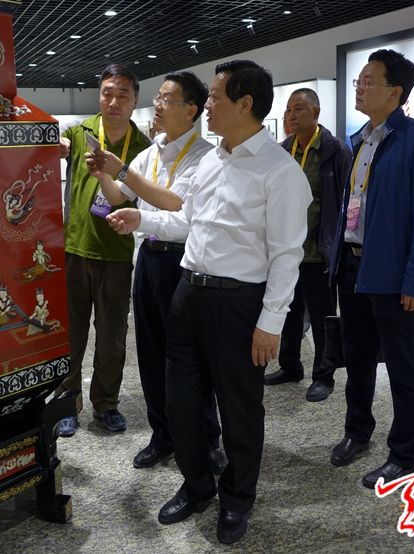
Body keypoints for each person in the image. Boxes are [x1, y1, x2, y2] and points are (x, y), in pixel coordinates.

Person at [107, 60, 310, 545]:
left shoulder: (280, 171)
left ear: (245, 104)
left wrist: (271, 323)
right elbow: (188, 222)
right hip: (188, 293)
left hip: (238, 303)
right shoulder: (213, 160)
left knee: (239, 409)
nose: (209, 106)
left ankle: (237, 497)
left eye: (216, 97)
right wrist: (142, 221)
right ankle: (197, 484)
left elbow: (287, 255)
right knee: (182, 401)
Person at [86, 71, 224, 473]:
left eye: (167, 99)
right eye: (159, 98)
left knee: (190, 356)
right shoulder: (151, 152)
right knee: (150, 353)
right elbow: (119, 196)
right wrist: (103, 173)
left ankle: (206, 438)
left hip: (183, 262)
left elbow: (175, 203)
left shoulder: (205, 157)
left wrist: (122, 171)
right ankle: (163, 434)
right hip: (149, 258)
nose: (158, 106)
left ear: (191, 110)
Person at [327, 49, 414, 489]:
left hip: (394, 274)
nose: (359, 88)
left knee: (404, 365)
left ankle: (405, 454)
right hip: (353, 266)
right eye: (358, 81)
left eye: (368, 81)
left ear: (395, 92)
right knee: (357, 357)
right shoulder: (360, 140)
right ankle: (357, 432)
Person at [54, 64, 152, 436]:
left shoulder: (142, 147)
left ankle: (106, 403)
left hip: (115, 254)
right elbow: (59, 145)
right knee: (71, 333)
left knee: (112, 335)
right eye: (107, 93)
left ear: (134, 100)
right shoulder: (80, 133)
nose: (113, 101)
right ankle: (67, 401)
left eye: (122, 95)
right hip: (74, 249)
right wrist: (58, 146)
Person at [263, 89, 352, 402]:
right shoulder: (284, 150)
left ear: (316, 112)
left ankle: (323, 375)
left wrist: (339, 246)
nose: (291, 115)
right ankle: (290, 366)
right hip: (288, 251)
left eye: (298, 109)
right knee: (289, 311)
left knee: (322, 316)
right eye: (289, 110)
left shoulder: (334, 151)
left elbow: (347, 200)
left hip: (318, 252)